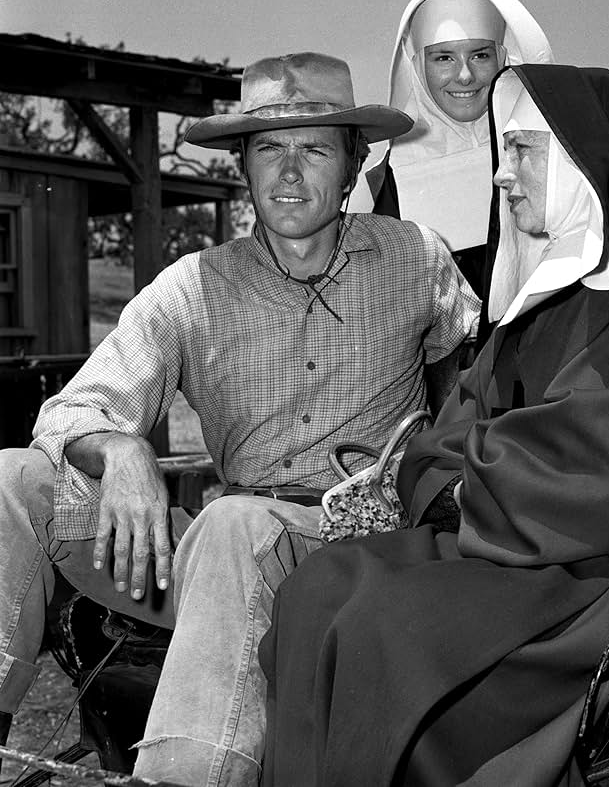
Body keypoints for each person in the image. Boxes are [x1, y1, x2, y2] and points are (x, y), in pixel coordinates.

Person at [260, 63, 609, 786]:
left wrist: (465, 476)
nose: (502, 173)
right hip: (504, 545)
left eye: (523, 150)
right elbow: (442, 436)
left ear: (585, 167)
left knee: (383, 631)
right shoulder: (537, 305)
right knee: (314, 589)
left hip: (595, 579)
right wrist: (459, 473)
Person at [0, 52, 480, 786]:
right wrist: (121, 449)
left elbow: (478, 378)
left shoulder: (416, 261)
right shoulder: (193, 287)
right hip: (218, 558)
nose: (289, 173)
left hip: (362, 551)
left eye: (314, 148)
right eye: (268, 150)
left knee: (232, 524)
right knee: (15, 480)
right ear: (242, 166)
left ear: (352, 165)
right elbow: (69, 410)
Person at [350, 0, 553, 294]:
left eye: (480, 55)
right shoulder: (381, 185)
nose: (465, 75)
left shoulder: (546, 159)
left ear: (503, 58)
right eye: (444, 57)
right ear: (417, 67)